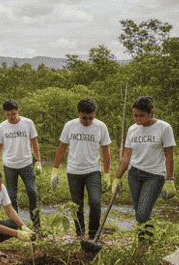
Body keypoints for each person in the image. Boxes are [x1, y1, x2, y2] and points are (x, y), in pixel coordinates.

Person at [113, 96, 176, 243]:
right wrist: (117, 177)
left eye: (141, 115)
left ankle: (151, 236)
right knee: (140, 214)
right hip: (134, 174)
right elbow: (126, 156)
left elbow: (169, 156)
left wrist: (170, 179)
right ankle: (145, 243)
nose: (138, 119)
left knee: (142, 214)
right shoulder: (132, 129)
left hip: (154, 176)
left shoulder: (164, 128)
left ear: (151, 112)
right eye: (135, 115)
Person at [51, 97, 111, 241]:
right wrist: (55, 169)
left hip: (93, 171)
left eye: (91, 117)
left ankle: (93, 234)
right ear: (78, 113)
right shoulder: (70, 126)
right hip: (73, 171)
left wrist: (107, 173)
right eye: (84, 117)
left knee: (95, 202)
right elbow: (62, 148)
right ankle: (80, 235)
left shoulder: (101, 126)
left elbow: (106, 151)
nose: (87, 121)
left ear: (95, 114)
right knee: (76, 205)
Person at [0, 99, 42, 233]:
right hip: (9, 165)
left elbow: (34, 141)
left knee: (32, 192)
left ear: (18, 110)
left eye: (13, 114)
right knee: (11, 196)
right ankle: (16, 226)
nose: (11, 117)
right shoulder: (1, 127)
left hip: (26, 164)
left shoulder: (28, 123)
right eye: (8, 115)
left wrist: (38, 160)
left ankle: (37, 225)